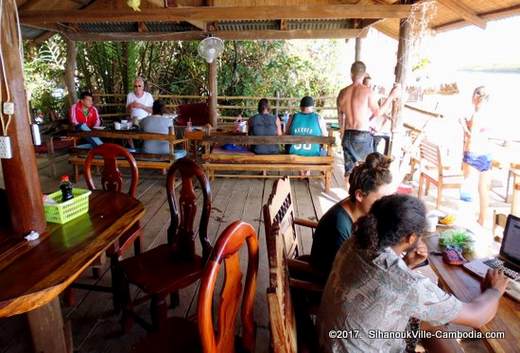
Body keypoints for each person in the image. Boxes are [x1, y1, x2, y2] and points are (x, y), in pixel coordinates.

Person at [318, 194, 509, 353]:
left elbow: (380, 282)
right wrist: (495, 290)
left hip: (332, 341)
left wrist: (406, 263)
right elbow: (477, 316)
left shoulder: (357, 241)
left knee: (433, 322)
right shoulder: (409, 286)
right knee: (437, 327)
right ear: (410, 238)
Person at [310, 152, 392, 274]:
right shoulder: (339, 225)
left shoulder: (355, 208)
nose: (386, 204)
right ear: (359, 195)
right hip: (323, 284)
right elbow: (342, 275)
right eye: (381, 199)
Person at [337, 61, 399, 186]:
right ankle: (363, 198)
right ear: (364, 74)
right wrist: (392, 96)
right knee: (370, 169)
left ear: (351, 73)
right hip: (362, 135)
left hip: (347, 134)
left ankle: (348, 197)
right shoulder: (367, 91)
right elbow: (378, 112)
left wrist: (342, 132)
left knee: (349, 170)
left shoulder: (342, 92)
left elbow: (340, 115)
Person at [460, 86, 492, 226]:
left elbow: (471, 136)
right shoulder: (488, 114)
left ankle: (466, 220)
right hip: (486, 154)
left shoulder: (476, 115)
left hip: (472, 154)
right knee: (483, 189)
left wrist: (463, 125)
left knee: (467, 189)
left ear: (475, 98)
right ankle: (482, 220)